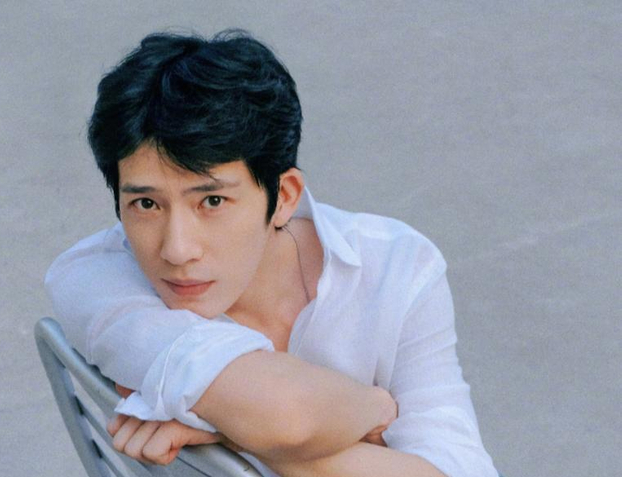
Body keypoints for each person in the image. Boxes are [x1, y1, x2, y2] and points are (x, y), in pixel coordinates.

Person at [45, 29, 498, 477]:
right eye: (146, 204)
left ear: (283, 196)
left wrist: (232, 433)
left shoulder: (396, 267)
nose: (177, 250)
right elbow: (289, 417)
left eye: (212, 201)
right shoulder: (95, 278)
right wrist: (373, 408)